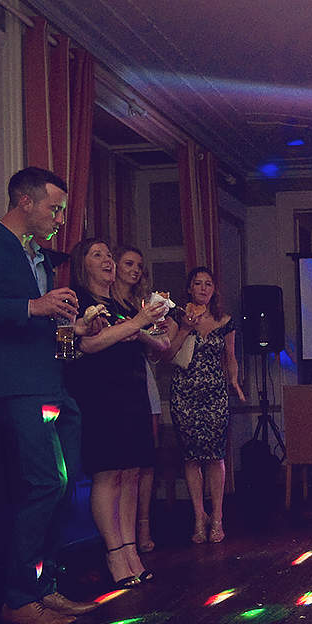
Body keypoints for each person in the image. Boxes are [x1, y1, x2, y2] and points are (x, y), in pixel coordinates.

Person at [0, 167, 101, 624]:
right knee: (44, 485)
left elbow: (43, 326)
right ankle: (17, 597)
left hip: (53, 382)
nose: (59, 217)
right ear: (24, 201)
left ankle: (45, 587)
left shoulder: (42, 257)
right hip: (15, 384)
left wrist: (75, 330)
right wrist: (32, 306)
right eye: (54, 207)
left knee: (64, 486)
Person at [65, 238, 170, 589]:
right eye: (99, 256)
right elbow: (86, 344)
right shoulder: (77, 300)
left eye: (109, 255)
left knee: (131, 473)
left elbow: (154, 345)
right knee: (108, 474)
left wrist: (142, 330)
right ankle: (113, 551)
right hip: (100, 396)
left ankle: (129, 550)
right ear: (84, 264)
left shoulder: (119, 303)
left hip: (132, 392)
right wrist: (136, 323)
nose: (108, 261)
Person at [166, 266, 244, 544]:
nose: (202, 288)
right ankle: (199, 516)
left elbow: (230, 356)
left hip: (215, 393)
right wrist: (186, 327)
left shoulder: (225, 320)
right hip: (184, 393)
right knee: (191, 456)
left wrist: (234, 380)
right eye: (197, 283)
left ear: (214, 289)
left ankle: (218, 516)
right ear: (189, 288)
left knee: (215, 455)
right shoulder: (177, 316)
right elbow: (167, 352)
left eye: (208, 283)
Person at [113, 245, 168, 554]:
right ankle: (120, 536)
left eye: (138, 266)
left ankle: (142, 524)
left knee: (144, 460)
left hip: (143, 379)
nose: (135, 270)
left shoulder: (140, 304)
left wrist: (149, 332)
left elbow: (158, 348)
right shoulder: (108, 303)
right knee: (120, 464)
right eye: (129, 263)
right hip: (116, 383)